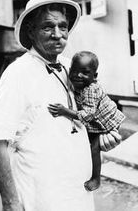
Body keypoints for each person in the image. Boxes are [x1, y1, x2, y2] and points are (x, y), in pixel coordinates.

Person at [0, 0, 122, 211]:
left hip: (78, 191)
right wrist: (10, 202)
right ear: (31, 31)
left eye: (63, 26)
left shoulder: (73, 67)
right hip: (42, 195)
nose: (58, 34)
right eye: (47, 27)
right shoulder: (18, 73)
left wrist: (106, 136)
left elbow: (90, 116)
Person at [48, 51, 125, 191]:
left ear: (94, 76)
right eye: (75, 71)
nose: (78, 75)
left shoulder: (90, 89)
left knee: (94, 148)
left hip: (106, 121)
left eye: (84, 72)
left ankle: (96, 178)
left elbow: (88, 115)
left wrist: (64, 111)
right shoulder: (78, 83)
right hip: (97, 119)